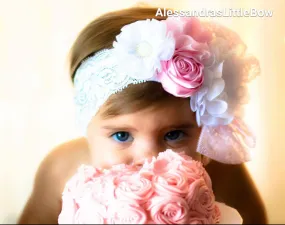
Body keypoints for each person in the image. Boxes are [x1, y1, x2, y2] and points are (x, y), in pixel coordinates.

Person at [18, 6, 267, 224]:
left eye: (174, 134)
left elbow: (255, 219)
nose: (149, 157)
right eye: (122, 135)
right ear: (86, 125)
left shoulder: (220, 168)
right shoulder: (61, 168)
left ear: (204, 127)